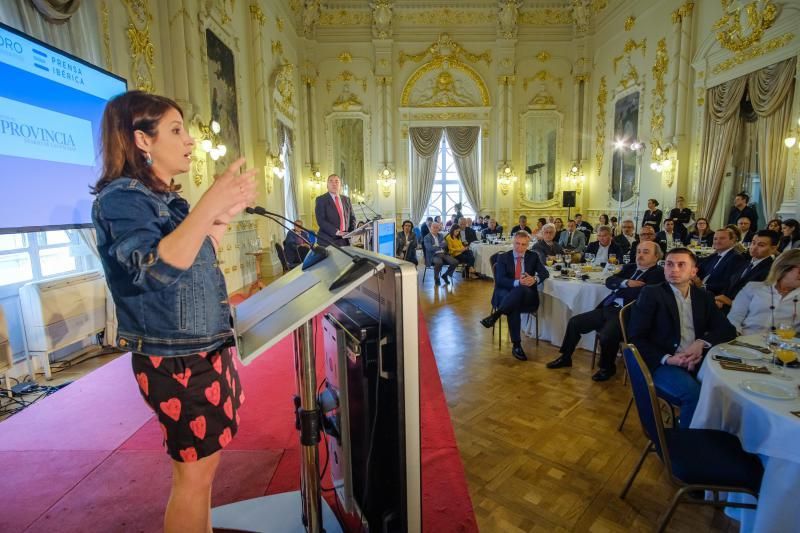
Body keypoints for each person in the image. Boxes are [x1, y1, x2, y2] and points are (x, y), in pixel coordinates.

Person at [91, 91, 257, 532]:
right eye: (176, 130)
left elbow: (199, 257)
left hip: (205, 344)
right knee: (193, 476)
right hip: (175, 355)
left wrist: (222, 215)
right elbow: (156, 268)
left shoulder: (167, 199)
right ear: (142, 140)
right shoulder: (120, 199)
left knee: (204, 472)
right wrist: (209, 204)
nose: (190, 142)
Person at [628, 248, 737, 428]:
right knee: (695, 397)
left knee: (727, 392)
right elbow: (636, 337)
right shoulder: (652, 294)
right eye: (669, 264)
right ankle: (683, 448)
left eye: (681, 265)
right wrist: (669, 359)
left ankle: (708, 437)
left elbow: (727, 330)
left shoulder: (703, 296)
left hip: (697, 358)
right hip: (660, 362)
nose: (674, 269)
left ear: (694, 271)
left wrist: (700, 343)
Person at [546, 241, 665, 380]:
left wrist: (619, 287)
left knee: (607, 335)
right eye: (639, 251)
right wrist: (626, 283)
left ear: (656, 256)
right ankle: (565, 357)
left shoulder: (658, 274)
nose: (640, 255)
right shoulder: (630, 268)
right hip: (609, 307)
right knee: (574, 322)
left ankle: (607, 368)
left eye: (645, 252)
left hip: (628, 314)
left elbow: (642, 295)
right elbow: (609, 281)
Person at [479, 231, 549, 361]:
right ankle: (517, 345)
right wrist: (518, 282)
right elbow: (500, 280)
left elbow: (545, 273)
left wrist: (535, 279)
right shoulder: (503, 257)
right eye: (517, 243)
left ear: (528, 245)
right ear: (513, 242)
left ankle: (496, 315)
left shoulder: (533, 256)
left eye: (524, 244)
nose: (520, 247)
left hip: (528, 296)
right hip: (505, 293)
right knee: (514, 304)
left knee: (521, 290)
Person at [728, 249, 800, 336]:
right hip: (746, 342)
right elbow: (734, 319)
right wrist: (736, 339)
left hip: (783, 346)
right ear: (784, 268)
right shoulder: (753, 288)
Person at [714, 229, 778, 311]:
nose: (754, 247)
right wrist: (720, 300)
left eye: (761, 245)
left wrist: (729, 302)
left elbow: (760, 304)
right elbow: (730, 284)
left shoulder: (771, 271)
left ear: (773, 249)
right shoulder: (746, 263)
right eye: (753, 243)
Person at [693, 227, 747, 296]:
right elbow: (700, 267)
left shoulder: (736, 258)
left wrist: (703, 286)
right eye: (715, 239)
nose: (717, 241)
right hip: (699, 290)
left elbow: (728, 284)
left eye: (722, 238)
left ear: (732, 240)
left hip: (714, 295)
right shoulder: (715, 255)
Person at [314, 174, 356, 246]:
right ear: (327, 185)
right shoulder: (321, 200)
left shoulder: (346, 200)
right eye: (331, 181)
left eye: (337, 182)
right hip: (327, 241)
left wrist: (351, 232)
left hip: (344, 240)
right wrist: (337, 232)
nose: (334, 184)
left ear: (340, 185)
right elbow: (321, 221)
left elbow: (352, 218)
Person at [423, 222, 458, 286]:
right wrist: (440, 246)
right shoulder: (427, 237)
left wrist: (436, 245)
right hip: (433, 255)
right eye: (434, 227)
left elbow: (445, 244)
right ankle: (436, 278)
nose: (435, 229)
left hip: (443, 253)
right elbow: (429, 248)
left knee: (455, 262)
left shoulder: (441, 235)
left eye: (437, 228)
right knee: (439, 263)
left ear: (439, 228)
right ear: (431, 228)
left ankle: (445, 275)